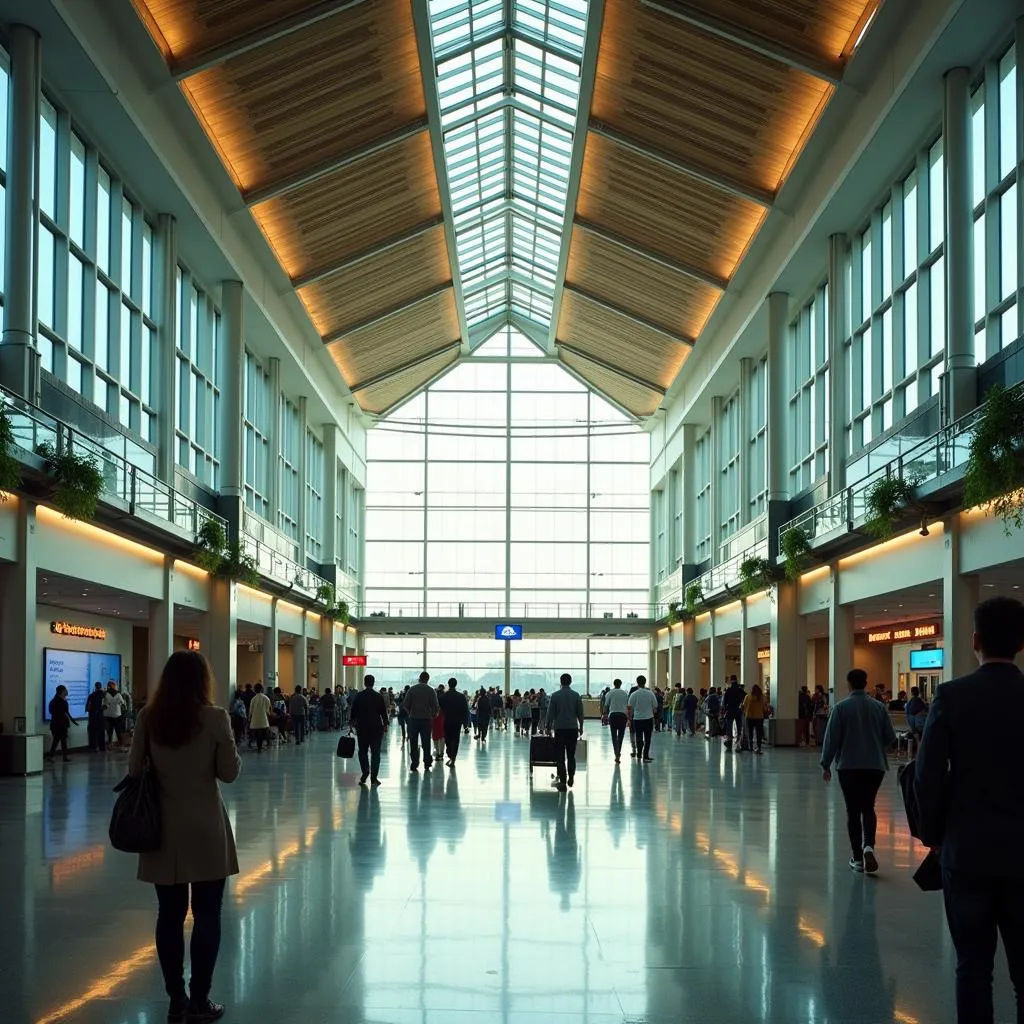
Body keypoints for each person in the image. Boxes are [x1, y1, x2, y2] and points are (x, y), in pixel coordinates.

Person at [916, 597, 1024, 1023]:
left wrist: (934, 834)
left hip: (967, 852)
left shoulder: (952, 695)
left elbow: (927, 775)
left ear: (975, 639)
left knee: (973, 966)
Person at [128, 651, 239, 1023]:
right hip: (206, 827)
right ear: (203, 680)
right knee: (208, 914)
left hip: (162, 830)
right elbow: (228, 774)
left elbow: (132, 769)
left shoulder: (149, 717)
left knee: (169, 914)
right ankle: (200, 999)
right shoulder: (215, 718)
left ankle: (175, 998)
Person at [820, 668, 897, 874]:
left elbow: (831, 739)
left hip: (849, 766)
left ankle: (857, 857)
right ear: (866, 683)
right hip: (875, 766)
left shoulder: (840, 708)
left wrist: (825, 763)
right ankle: (869, 846)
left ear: (849, 684)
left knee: (853, 811)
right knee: (868, 806)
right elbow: (890, 739)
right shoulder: (879, 707)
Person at [546, 673, 584, 790]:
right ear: (570, 681)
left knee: (560, 755)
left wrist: (548, 727)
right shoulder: (576, 695)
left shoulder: (555, 696)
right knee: (571, 755)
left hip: (560, 729)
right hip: (572, 729)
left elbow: (550, 713)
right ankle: (571, 776)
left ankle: (563, 780)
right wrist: (581, 726)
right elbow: (580, 713)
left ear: (560, 682)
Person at [350, 674, 389, 786]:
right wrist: (385, 724)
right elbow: (383, 712)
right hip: (376, 728)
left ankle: (365, 772)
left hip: (362, 728)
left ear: (364, 682)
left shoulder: (359, 696)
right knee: (375, 753)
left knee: (362, 751)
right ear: (373, 682)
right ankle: (374, 778)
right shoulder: (378, 696)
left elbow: (353, 711)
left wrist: (352, 722)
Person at [403, 671, 440, 771]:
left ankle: (414, 763)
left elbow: (405, 705)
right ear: (428, 679)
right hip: (426, 720)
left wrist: (411, 712)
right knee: (426, 742)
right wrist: (433, 714)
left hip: (413, 720)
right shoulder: (431, 690)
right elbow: (436, 707)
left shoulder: (412, 689)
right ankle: (427, 763)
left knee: (413, 742)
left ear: (419, 678)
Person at [439, 678, 470, 766]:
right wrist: (465, 724)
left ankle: (450, 754)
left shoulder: (444, 696)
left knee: (448, 739)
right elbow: (465, 710)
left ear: (448, 684)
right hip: (457, 722)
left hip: (447, 721)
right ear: (456, 685)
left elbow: (439, 709)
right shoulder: (461, 696)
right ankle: (453, 758)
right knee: (456, 739)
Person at [627, 675, 658, 762]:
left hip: (637, 719)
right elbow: (655, 706)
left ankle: (639, 754)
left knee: (639, 737)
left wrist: (629, 719)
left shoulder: (634, 694)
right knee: (648, 738)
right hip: (648, 718)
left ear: (637, 682)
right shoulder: (650, 693)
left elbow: (629, 707)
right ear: (645, 682)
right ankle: (645, 756)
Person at [46, 684, 77, 761]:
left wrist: (71, 720)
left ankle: (61, 756)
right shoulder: (56, 701)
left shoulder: (60, 700)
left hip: (60, 724)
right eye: (65, 690)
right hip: (58, 725)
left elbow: (66, 712)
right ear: (62, 691)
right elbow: (57, 712)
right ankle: (53, 756)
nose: (67, 691)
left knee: (61, 741)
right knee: (58, 741)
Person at [602, 678, 629, 763]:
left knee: (614, 736)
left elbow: (606, 705)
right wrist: (629, 718)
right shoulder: (625, 693)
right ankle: (618, 752)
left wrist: (604, 716)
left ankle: (616, 753)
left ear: (614, 684)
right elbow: (628, 706)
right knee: (621, 736)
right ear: (620, 684)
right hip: (622, 716)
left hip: (613, 716)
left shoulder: (610, 693)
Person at [742, 684, 767, 754]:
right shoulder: (762, 697)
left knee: (750, 733)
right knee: (759, 733)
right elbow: (765, 709)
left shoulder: (747, 697)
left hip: (749, 717)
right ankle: (759, 748)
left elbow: (744, 707)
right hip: (759, 718)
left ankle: (750, 747)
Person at [247, 683, 272, 753]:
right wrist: (269, 714)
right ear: (261, 689)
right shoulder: (266, 698)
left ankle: (258, 747)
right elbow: (268, 710)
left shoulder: (253, 699)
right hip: (263, 719)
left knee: (256, 733)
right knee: (264, 732)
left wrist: (249, 718)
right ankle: (263, 746)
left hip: (255, 719)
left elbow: (250, 710)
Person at [722, 677, 745, 751]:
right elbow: (745, 698)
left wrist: (725, 709)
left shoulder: (728, 690)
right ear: (737, 681)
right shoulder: (740, 690)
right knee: (739, 725)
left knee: (729, 726)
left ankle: (729, 740)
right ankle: (739, 741)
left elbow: (725, 702)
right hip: (738, 710)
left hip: (730, 710)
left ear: (731, 681)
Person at [103, 681, 126, 749]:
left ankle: (109, 745)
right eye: (114, 685)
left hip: (107, 715)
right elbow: (122, 702)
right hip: (117, 715)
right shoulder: (118, 694)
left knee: (109, 731)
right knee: (118, 731)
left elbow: (103, 703)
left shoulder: (105, 694)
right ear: (112, 686)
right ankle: (121, 745)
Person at [86, 681, 106, 751]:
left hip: (92, 717)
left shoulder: (91, 695)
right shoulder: (103, 695)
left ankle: (93, 747)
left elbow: (87, 708)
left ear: (95, 687)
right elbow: (105, 706)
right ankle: (102, 747)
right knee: (101, 733)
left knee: (92, 733)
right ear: (100, 687)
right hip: (100, 717)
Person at [432, 686, 446, 761]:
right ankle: (442, 752)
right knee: (442, 736)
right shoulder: (445, 702)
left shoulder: (434, 703)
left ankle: (437, 752)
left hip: (435, 718)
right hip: (443, 718)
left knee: (435, 736)